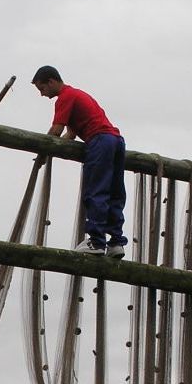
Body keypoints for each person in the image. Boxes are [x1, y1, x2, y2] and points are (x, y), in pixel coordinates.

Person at [32, 65, 127, 258]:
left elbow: (56, 132)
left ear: (51, 82)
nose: (42, 94)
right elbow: (71, 135)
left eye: (42, 89)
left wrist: (42, 150)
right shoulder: (79, 95)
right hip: (116, 141)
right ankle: (116, 242)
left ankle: (97, 241)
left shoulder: (65, 97)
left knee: (96, 190)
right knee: (115, 192)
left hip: (100, 141)